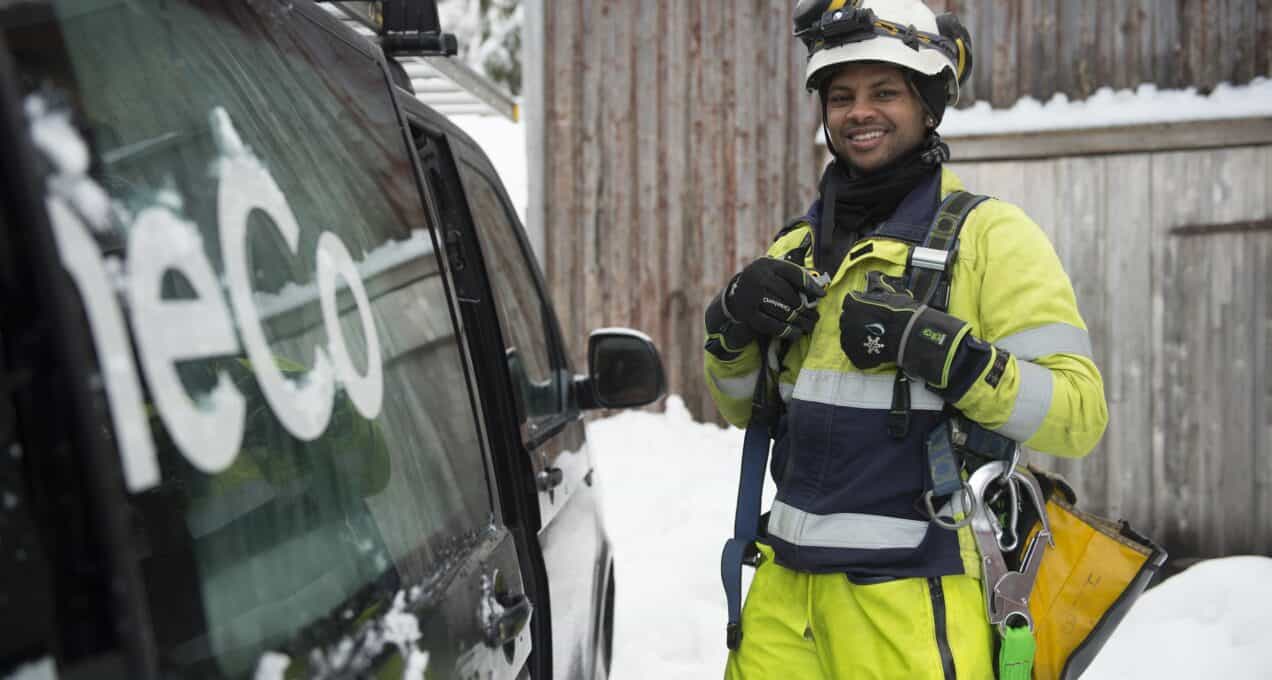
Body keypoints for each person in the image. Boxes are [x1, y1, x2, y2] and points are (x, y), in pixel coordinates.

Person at [703, 1, 1109, 678]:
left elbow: (1078, 414)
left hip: (914, 608)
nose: (859, 112)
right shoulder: (798, 248)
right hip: (783, 600)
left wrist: (946, 355)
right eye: (841, 96)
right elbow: (744, 408)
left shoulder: (990, 239)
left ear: (927, 106)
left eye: (885, 92)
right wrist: (730, 328)